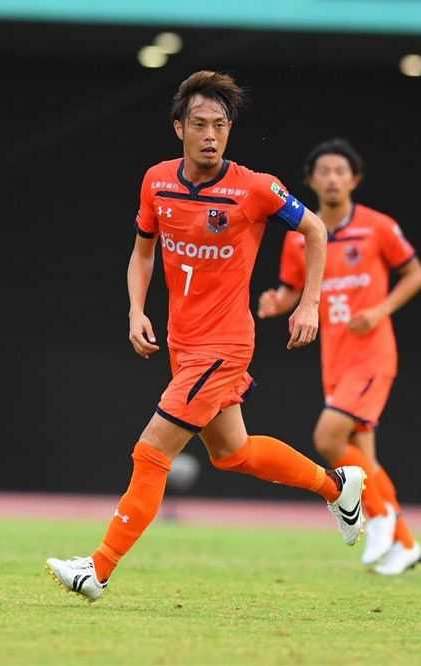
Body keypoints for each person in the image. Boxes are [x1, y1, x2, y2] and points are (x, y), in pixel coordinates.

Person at [46, 72, 367, 602]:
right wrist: (135, 310)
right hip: (183, 342)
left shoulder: (256, 188)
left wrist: (308, 303)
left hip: (223, 348)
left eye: (220, 125)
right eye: (199, 124)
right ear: (179, 128)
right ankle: (338, 486)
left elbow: (315, 229)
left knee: (151, 452)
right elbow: (143, 251)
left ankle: (96, 570)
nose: (211, 135)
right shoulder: (156, 182)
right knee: (233, 452)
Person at [258, 138, 421, 575]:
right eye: (324, 171)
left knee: (328, 437)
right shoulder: (301, 238)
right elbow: (294, 288)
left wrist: (380, 309)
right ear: (311, 180)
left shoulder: (377, 227)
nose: (333, 178)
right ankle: (405, 546)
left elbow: (415, 272)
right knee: (364, 457)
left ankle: (381, 517)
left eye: (341, 171)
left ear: (354, 180)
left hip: (372, 354)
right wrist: (279, 302)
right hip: (333, 357)